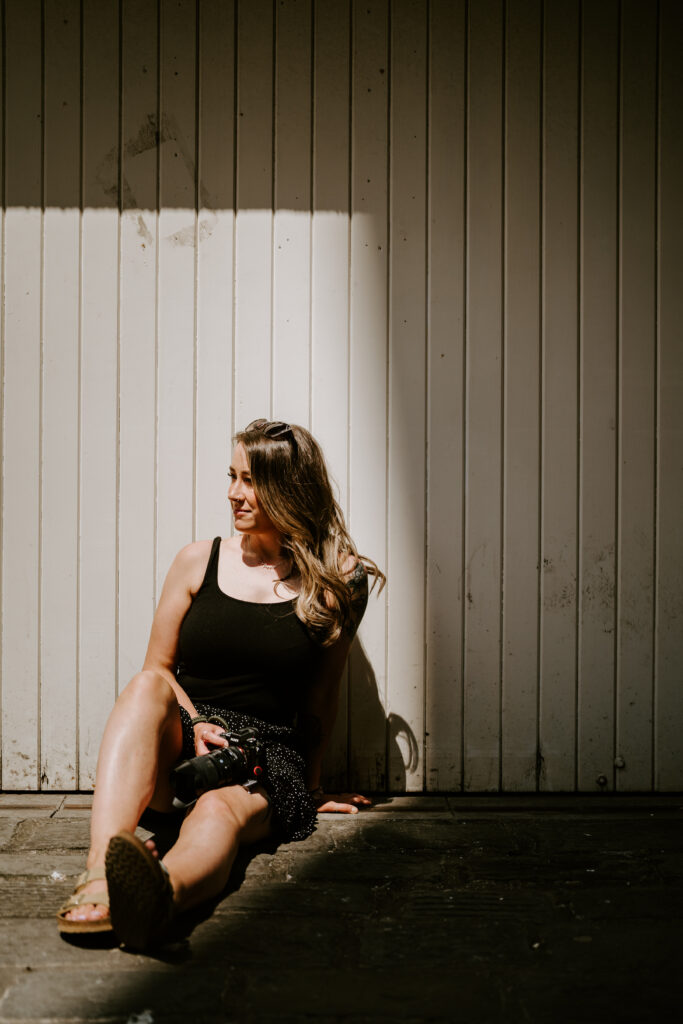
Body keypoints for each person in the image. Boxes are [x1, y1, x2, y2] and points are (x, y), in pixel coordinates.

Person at [56, 419, 385, 949]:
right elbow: (159, 669)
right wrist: (196, 721)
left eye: (250, 480)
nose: (234, 493)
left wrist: (313, 786)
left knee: (218, 810)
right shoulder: (197, 560)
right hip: (186, 738)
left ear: (288, 486)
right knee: (144, 687)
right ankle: (99, 874)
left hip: (263, 755)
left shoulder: (338, 578)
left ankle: (159, 897)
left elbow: (323, 692)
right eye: (232, 476)